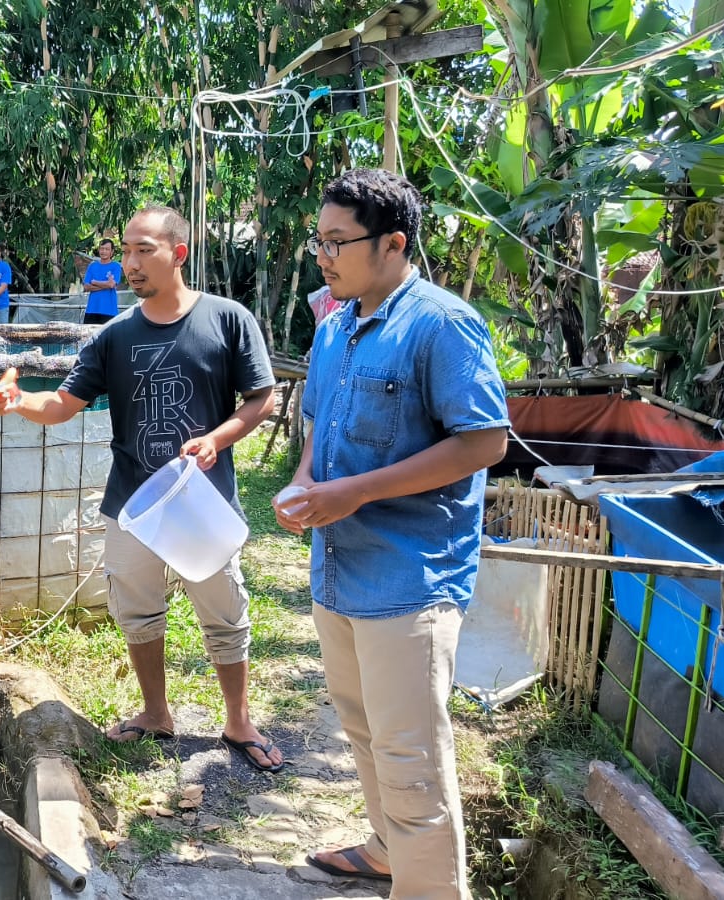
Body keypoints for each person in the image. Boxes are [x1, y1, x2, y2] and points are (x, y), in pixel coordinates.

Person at [275, 168, 507, 898]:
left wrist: (355, 492)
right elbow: (319, 423)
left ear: (394, 243)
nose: (324, 256)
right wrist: (308, 482)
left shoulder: (441, 323)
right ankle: (385, 852)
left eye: (338, 242)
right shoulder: (336, 323)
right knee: (364, 729)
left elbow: (484, 442)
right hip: (339, 570)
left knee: (412, 760)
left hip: (410, 579)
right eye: (320, 241)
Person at [0, 206, 285, 773]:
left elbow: (260, 399)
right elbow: (61, 404)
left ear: (179, 252)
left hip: (202, 502)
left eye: (143, 250)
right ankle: (156, 713)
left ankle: (239, 721)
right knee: (138, 613)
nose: (130, 263)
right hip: (132, 504)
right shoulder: (114, 336)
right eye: (125, 251)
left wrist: (217, 439)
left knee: (224, 613)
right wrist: (18, 401)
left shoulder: (227, 319)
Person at [81, 239, 125, 324]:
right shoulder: (92, 266)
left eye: (107, 249)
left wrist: (94, 282)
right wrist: (107, 285)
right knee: (89, 336)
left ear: (112, 252)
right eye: (102, 248)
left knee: (109, 337)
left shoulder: (116, 266)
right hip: (92, 310)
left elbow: (112, 284)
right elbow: (86, 287)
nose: (104, 251)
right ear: (99, 250)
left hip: (109, 311)